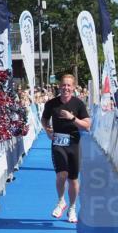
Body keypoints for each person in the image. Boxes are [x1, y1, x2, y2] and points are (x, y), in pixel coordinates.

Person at [41, 74, 91, 223]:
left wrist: (72, 118)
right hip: (58, 142)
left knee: (73, 179)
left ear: (73, 87)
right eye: (63, 85)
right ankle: (61, 201)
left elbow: (87, 126)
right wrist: (47, 130)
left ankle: (72, 207)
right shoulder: (51, 104)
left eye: (69, 85)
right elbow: (44, 119)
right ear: (59, 86)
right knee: (61, 174)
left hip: (74, 143)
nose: (66, 88)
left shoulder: (78, 104)